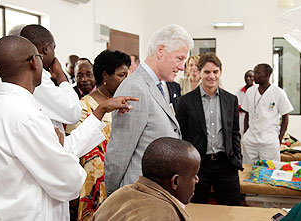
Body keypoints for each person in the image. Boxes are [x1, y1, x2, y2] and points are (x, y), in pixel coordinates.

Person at [0, 36, 137, 220]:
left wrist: (101, 109)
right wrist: (60, 153)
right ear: (34, 62)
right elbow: (68, 180)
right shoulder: (25, 116)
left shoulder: (4, 105)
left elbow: (63, 150)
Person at [104, 24, 194, 195]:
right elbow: (119, 153)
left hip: (156, 194)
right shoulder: (135, 88)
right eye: (179, 58)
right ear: (161, 51)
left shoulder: (159, 86)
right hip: (136, 195)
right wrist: (113, 198)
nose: (182, 67)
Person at [66, 50, 131, 220]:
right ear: (105, 76)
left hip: (119, 177)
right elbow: (74, 150)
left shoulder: (124, 102)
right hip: (92, 184)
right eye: (121, 75)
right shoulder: (84, 106)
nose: (126, 80)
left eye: (127, 75)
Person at [176, 53, 243, 205]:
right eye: (207, 72)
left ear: (220, 72)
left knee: (231, 211)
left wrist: (237, 159)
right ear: (199, 73)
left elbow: (234, 133)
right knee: (197, 209)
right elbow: (181, 136)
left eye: (215, 72)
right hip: (198, 165)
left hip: (226, 164)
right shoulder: (185, 101)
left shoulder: (230, 99)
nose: (211, 76)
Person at [93, 137, 200, 221]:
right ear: (175, 181)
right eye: (193, 175)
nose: (197, 180)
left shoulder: (118, 195)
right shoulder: (165, 215)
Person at [241, 63, 293, 164]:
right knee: (248, 171)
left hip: (269, 142)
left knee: (269, 172)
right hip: (250, 141)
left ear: (267, 74)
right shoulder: (250, 91)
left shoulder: (278, 92)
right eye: (254, 72)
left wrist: (279, 139)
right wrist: (245, 134)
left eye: (258, 73)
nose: (254, 75)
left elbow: (285, 117)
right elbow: (246, 114)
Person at [235, 70, 254, 138]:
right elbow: (235, 105)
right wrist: (245, 108)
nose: (248, 78)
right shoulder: (239, 90)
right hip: (241, 118)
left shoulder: (256, 91)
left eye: (250, 76)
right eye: (246, 77)